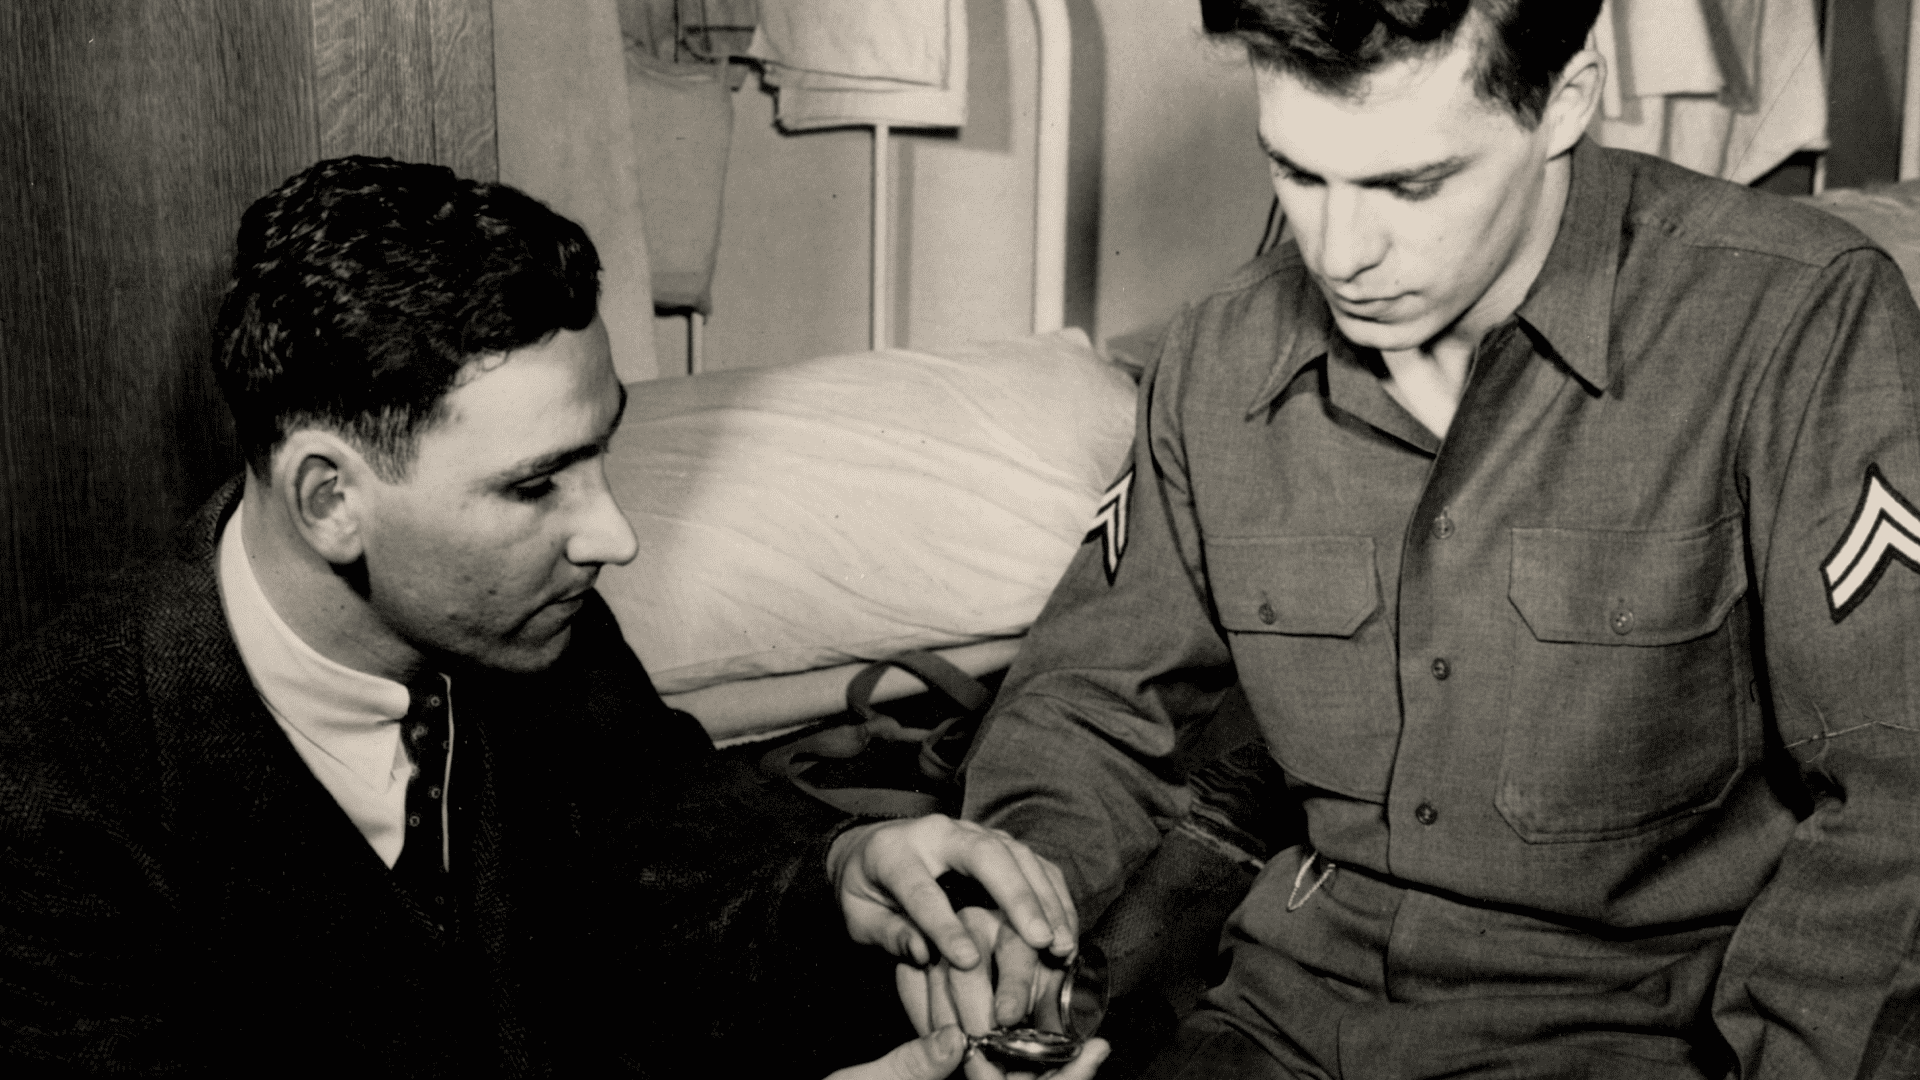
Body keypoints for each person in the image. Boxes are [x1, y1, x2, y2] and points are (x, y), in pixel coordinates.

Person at [960, 1, 1920, 1077]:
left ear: (1564, 101)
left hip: (1628, 1044)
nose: (1338, 253)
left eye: (1408, 187)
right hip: (1276, 1030)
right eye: (1295, 172)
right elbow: (1085, 697)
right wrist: (1005, 898)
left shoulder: (1797, 324)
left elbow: (1900, 797)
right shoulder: (1218, 360)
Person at [0, 155, 1104, 1079]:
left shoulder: (537, 634)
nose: (611, 534)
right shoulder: (51, 792)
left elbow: (682, 896)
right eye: (537, 487)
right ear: (330, 499)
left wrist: (840, 880)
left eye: (601, 456)